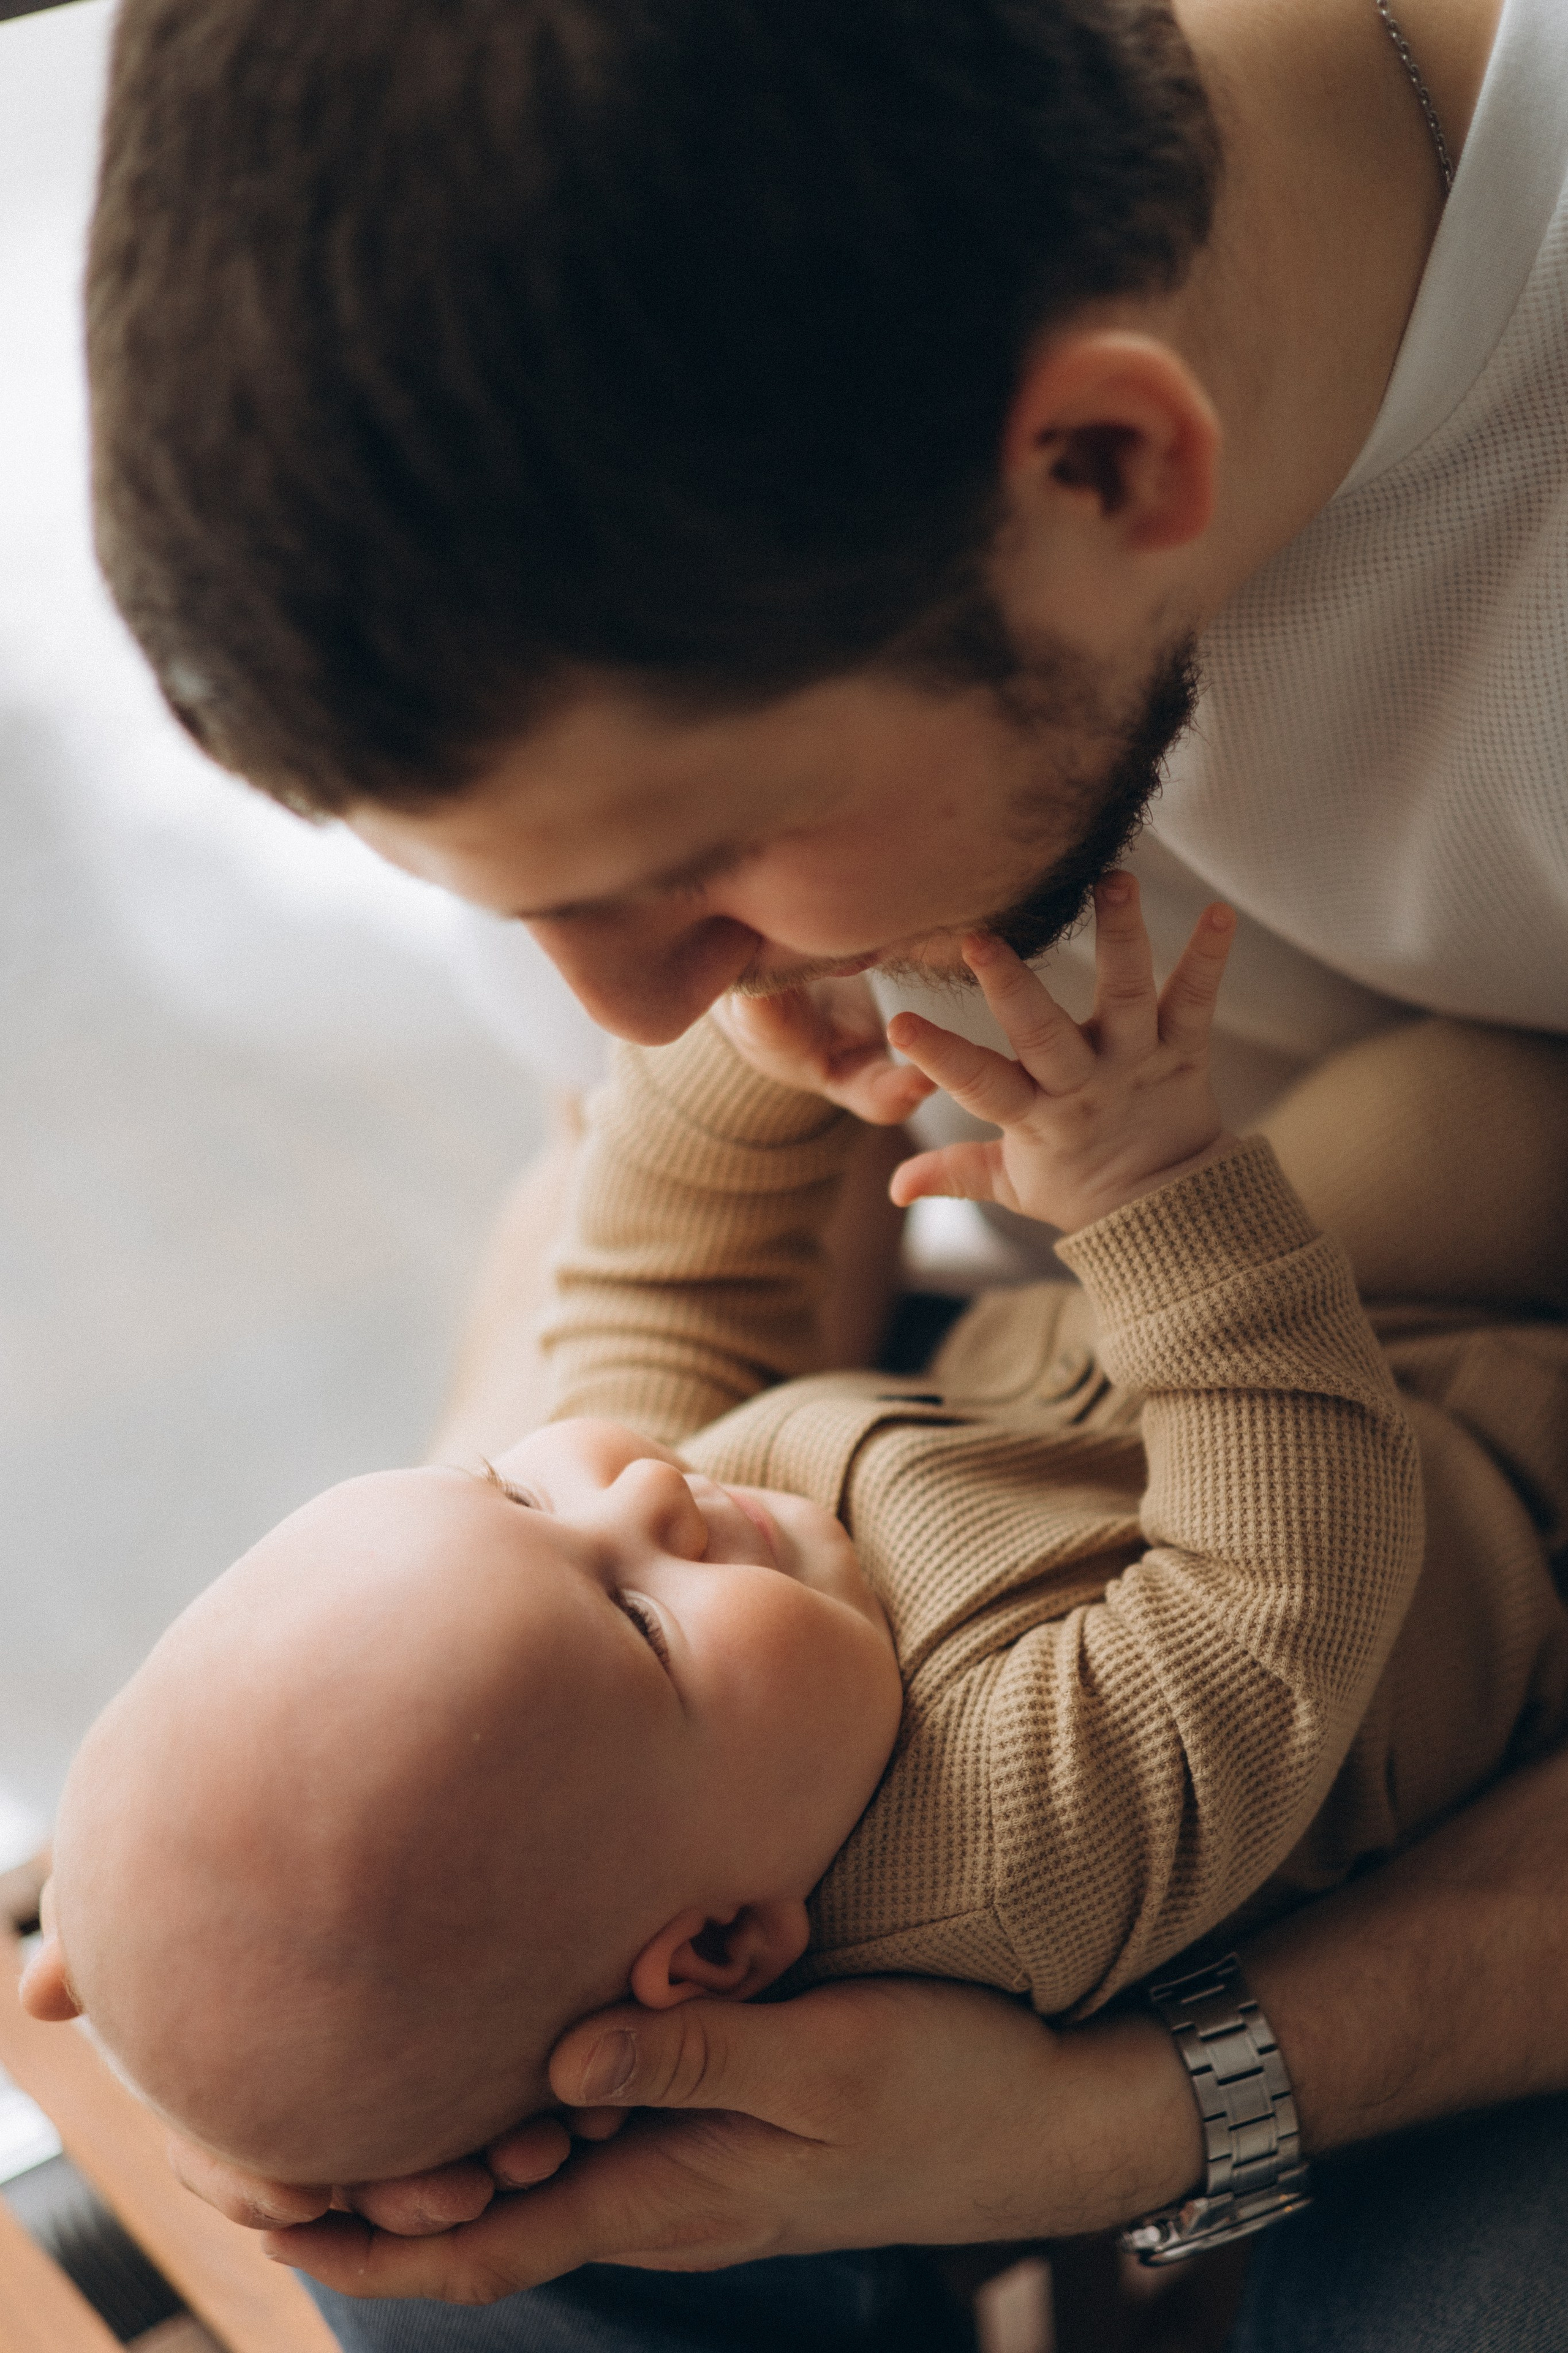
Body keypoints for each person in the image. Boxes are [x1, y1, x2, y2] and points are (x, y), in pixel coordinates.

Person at [78, 0, 1568, 2342]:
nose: (641, 1002)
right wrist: (375, 1787)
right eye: (519, 904)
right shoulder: (656, 508)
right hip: (1180, 1330)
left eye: (693, 875)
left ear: (1104, 464)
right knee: (422, 2182)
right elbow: (639, 1272)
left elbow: (1271, 1601)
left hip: (1440, 1576)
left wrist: (1141, 2114)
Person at [23, 907, 1567, 2251]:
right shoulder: (1002, 1852)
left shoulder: (677, 1655)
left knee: (1422, 1119)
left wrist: (755, 1049)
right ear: (719, 1950)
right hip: (1484, 1485)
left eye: (501, 1487)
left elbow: (663, 1277)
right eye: (638, 1620)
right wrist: (1151, 1196)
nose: (634, 1488)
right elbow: (1279, 1582)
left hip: (1250, 1363)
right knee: (1491, 1122)